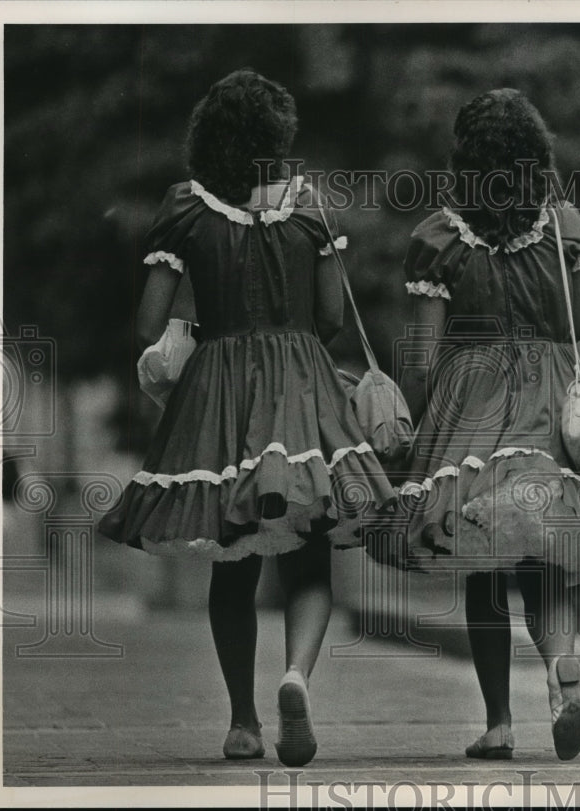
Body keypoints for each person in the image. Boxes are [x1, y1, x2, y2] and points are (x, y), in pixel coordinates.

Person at [98, 69, 396, 767]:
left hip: (220, 387)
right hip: (301, 384)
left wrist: (204, 321)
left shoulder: (186, 208)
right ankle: (297, 673)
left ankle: (242, 721)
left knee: (230, 553)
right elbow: (327, 318)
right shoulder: (311, 206)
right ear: (277, 136)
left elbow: (147, 323)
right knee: (311, 549)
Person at [394, 88, 580, 762]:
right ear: (536, 157)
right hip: (551, 399)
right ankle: (561, 667)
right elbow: (576, 326)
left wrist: (414, 426)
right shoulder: (565, 227)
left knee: (482, 565)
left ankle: (498, 722)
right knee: (547, 557)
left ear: (466, 160)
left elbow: (425, 360)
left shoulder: (438, 236)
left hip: (473, 403)